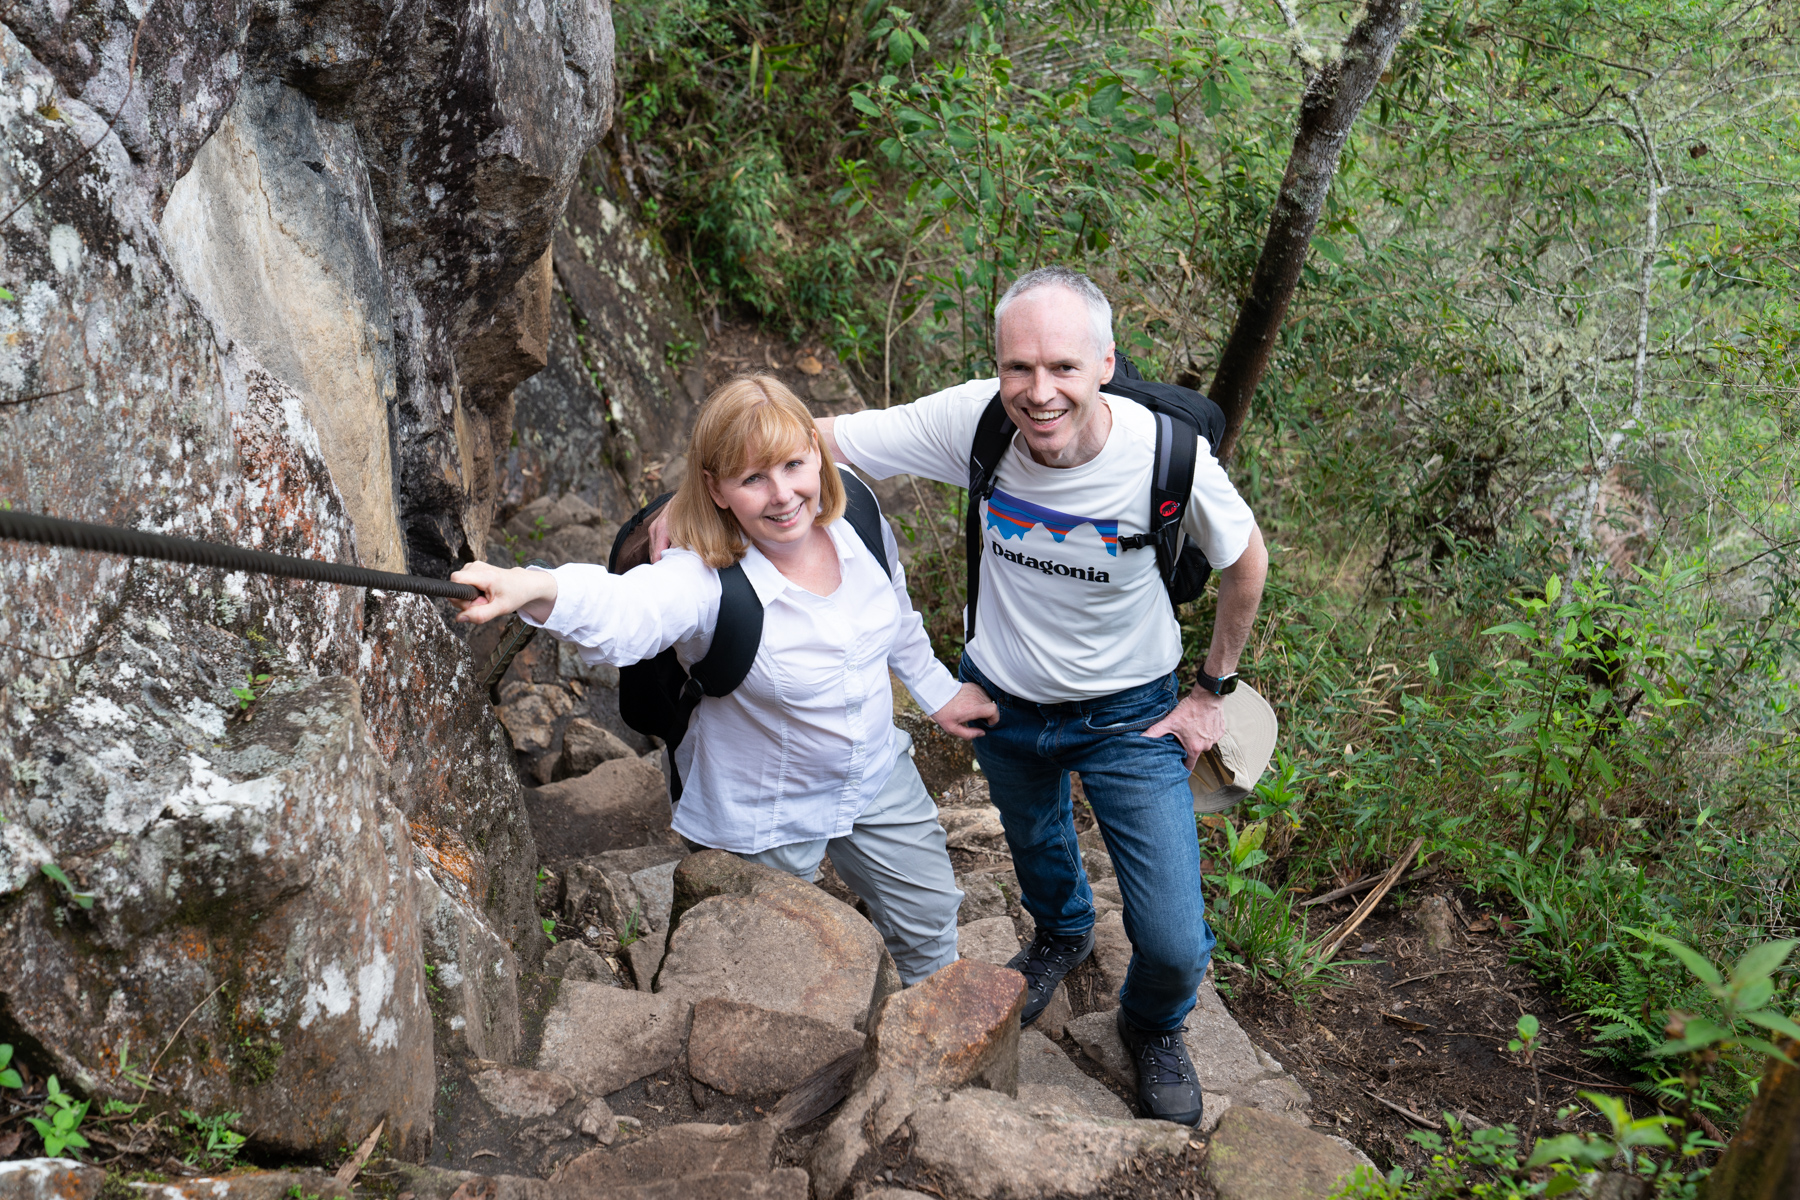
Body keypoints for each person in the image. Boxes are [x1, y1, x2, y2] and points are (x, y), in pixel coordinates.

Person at [656, 268, 1268, 1125]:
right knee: (1039, 848)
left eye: (1062, 367)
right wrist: (681, 506)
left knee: (1170, 939)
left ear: (1105, 364)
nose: (1039, 392)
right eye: (1020, 368)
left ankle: (1152, 1025)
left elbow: (1247, 563)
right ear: (998, 368)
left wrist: (1211, 692)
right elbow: (804, 438)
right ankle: (1060, 933)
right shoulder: (977, 420)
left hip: (1130, 714)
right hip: (1007, 706)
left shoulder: (1169, 457)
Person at [449, 375, 998, 986]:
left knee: (930, 918)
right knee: (776, 965)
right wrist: (535, 585)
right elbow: (630, 612)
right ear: (714, 488)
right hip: (764, 807)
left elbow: (894, 609)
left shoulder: (859, 517)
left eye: (794, 464)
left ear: (817, 453)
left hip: (870, 771)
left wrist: (939, 691)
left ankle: (934, 1041)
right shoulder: (706, 580)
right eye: (752, 478)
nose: (784, 494)